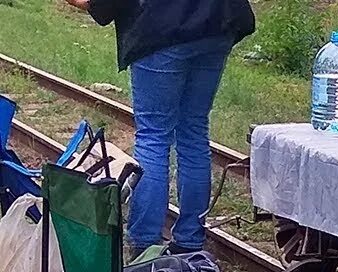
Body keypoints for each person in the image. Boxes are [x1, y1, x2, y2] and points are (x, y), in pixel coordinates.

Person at [63, 0, 254, 254]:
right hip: (217, 23)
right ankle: (190, 240)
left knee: (153, 136)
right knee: (193, 133)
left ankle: (144, 241)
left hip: (161, 28)